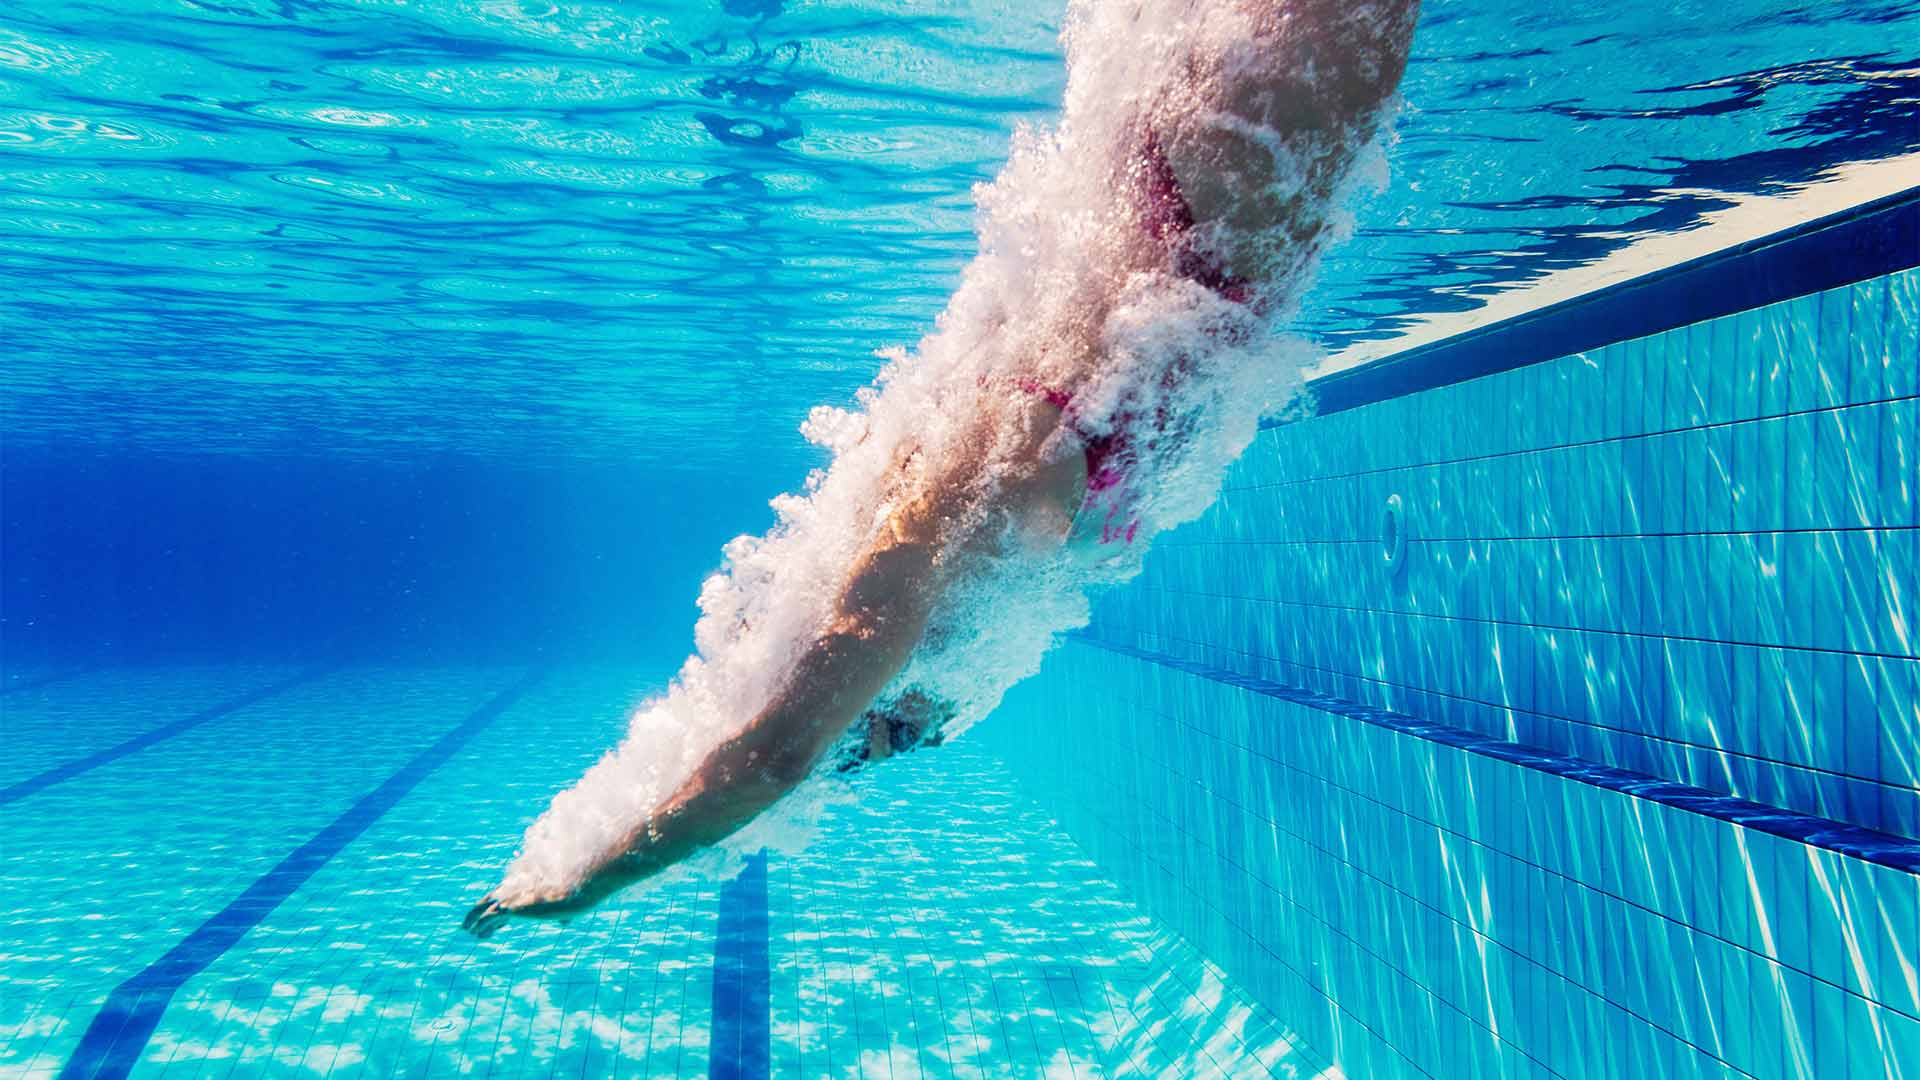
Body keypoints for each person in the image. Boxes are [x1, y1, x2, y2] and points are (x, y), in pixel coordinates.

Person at [465, 0, 1418, 936]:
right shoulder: (996, 601)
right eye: (893, 746)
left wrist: (584, 881)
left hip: (1206, 200)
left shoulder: (917, 530)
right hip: (1225, 244)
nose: (899, 738)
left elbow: (771, 761)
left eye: (873, 726)